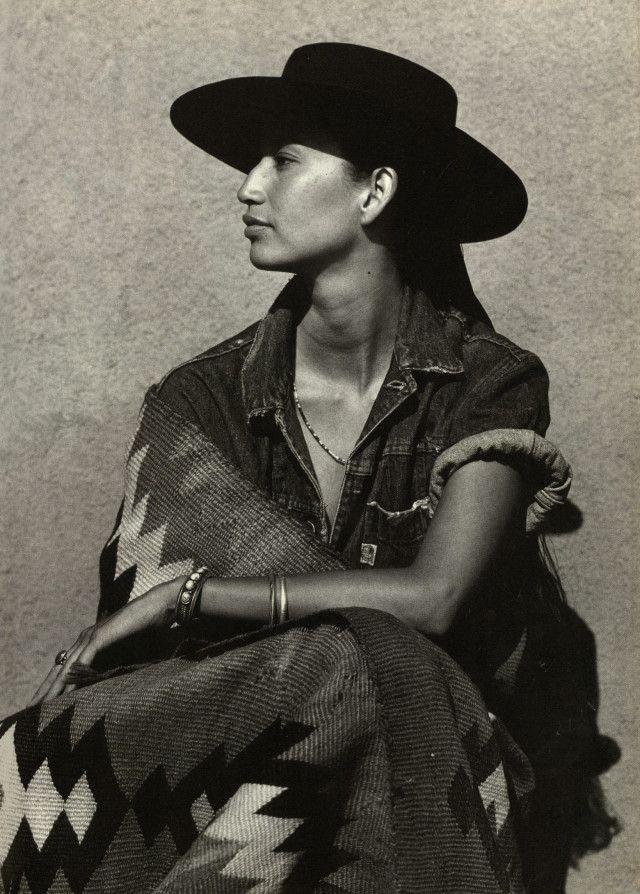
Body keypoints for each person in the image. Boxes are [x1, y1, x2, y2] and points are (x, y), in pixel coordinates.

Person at [4, 43, 617, 894]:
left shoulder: (489, 383)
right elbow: (144, 674)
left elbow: (435, 602)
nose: (249, 187)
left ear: (376, 191)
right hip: (234, 776)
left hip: (433, 778)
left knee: (362, 666)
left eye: (284, 161)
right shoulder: (200, 400)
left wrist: (196, 595)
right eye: (255, 164)